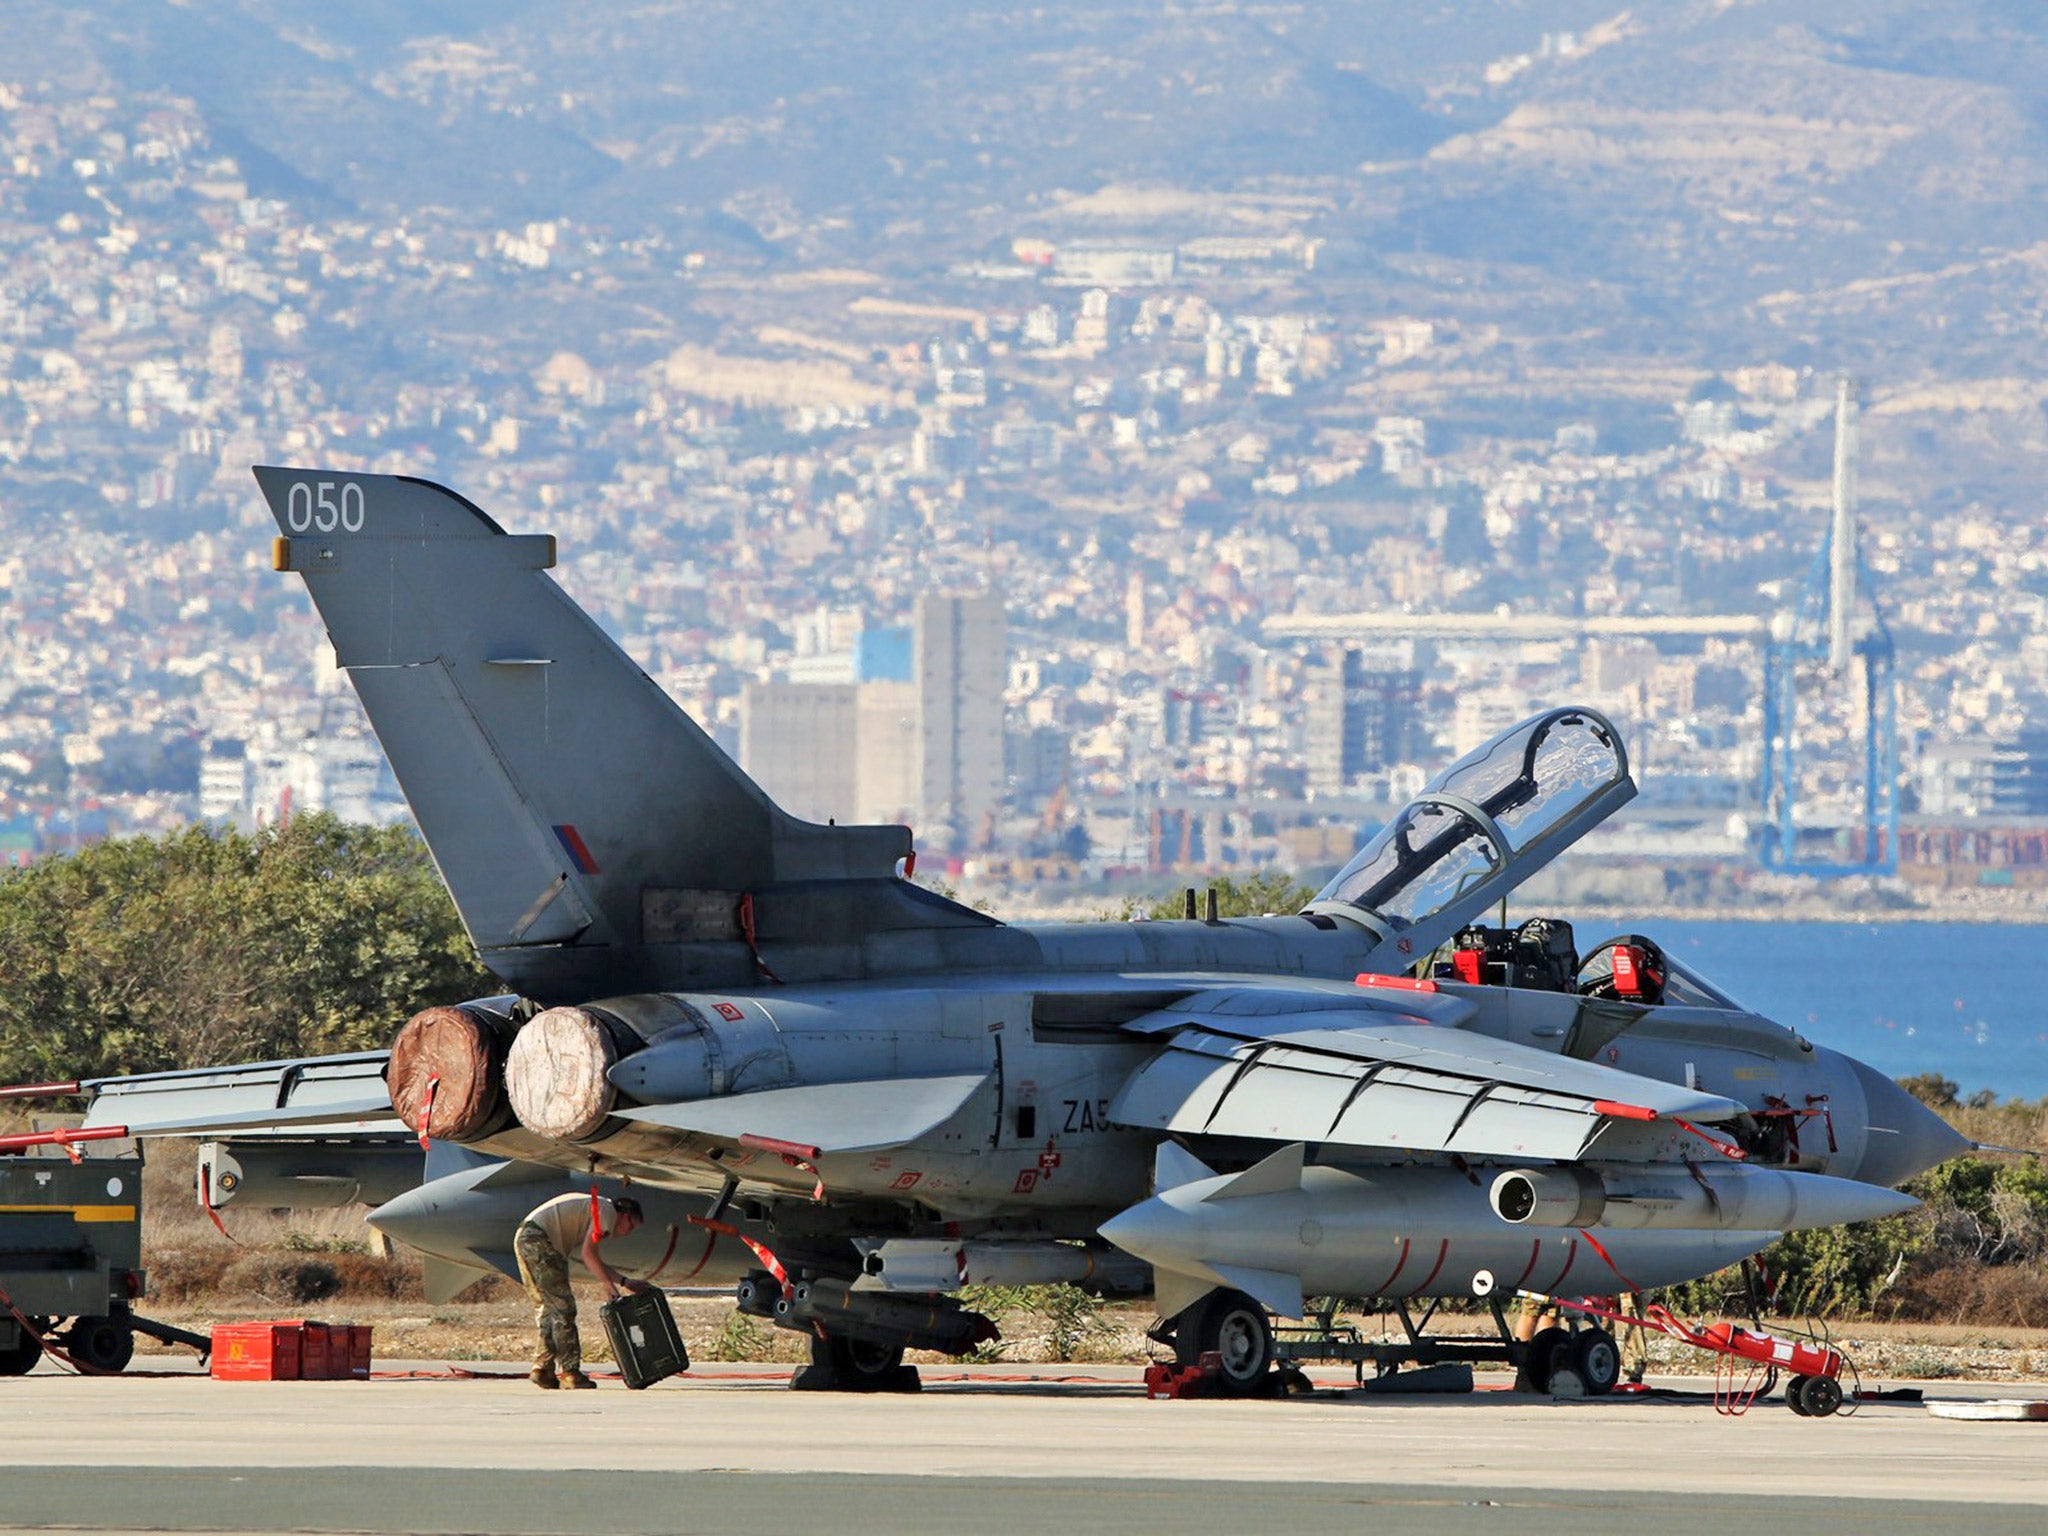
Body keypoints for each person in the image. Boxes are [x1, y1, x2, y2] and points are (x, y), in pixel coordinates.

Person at [513, 1191, 649, 1389]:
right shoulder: (607, 1212)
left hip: (527, 1238)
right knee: (564, 1308)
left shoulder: (600, 1209)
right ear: (625, 1216)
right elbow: (588, 1255)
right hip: (540, 1240)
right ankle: (570, 1373)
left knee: (549, 1309)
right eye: (631, 1226)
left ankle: (543, 1368)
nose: (627, 1233)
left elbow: (593, 1259)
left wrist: (624, 1281)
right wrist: (608, 1286)